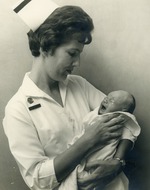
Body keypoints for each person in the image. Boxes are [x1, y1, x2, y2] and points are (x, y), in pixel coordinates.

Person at [3, 1, 132, 190]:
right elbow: (39, 180)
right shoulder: (17, 110)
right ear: (45, 46)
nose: (77, 63)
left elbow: (126, 120)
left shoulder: (79, 85)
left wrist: (118, 161)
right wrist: (88, 140)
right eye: (72, 53)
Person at [59, 90, 141, 190]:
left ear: (123, 110)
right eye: (106, 97)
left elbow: (130, 134)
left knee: (114, 185)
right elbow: (84, 128)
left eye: (111, 100)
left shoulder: (123, 118)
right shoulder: (95, 113)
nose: (105, 100)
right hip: (84, 158)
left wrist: (118, 159)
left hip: (105, 158)